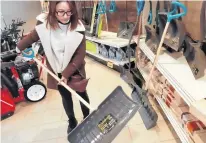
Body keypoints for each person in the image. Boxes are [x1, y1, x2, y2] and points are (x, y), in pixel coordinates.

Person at [16, 1, 90, 134]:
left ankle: (88, 118)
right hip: (56, 68)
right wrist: (18, 47)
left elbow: (80, 55)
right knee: (66, 96)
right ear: (53, 11)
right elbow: (33, 36)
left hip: (75, 67)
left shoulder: (78, 26)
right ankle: (72, 121)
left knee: (81, 93)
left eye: (69, 11)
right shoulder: (44, 23)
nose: (66, 16)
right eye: (61, 12)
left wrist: (67, 74)